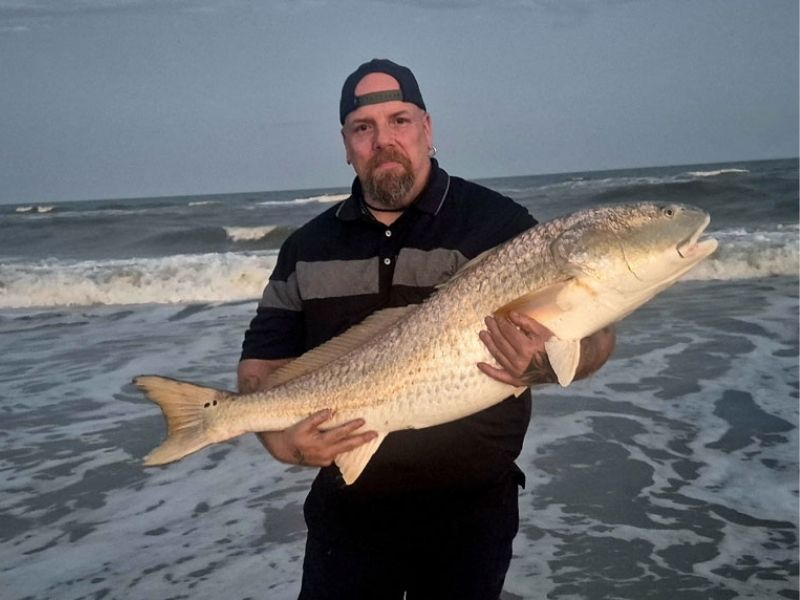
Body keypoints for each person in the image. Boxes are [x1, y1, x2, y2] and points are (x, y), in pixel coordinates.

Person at [238, 59, 615, 600]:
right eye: (363, 127)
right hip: (348, 511)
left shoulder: (498, 226)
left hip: (473, 513)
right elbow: (262, 366)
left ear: (427, 128)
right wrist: (280, 442)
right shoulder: (305, 249)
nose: (383, 140)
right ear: (346, 144)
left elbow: (597, 334)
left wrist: (550, 364)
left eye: (400, 121)